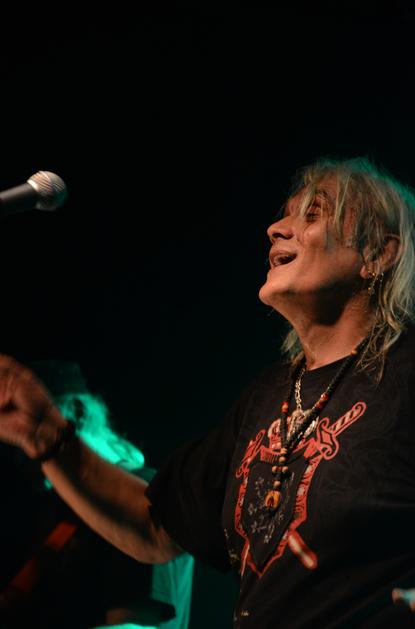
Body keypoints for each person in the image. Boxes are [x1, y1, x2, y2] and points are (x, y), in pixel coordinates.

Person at [0, 156, 415, 626]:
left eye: (312, 214)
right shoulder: (268, 395)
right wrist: (44, 432)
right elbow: (157, 528)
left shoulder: (405, 376)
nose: (276, 229)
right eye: (285, 215)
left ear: (379, 254)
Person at [0, 360, 193, 629]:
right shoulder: (61, 517)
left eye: (26, 421)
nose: (21, 450)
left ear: (77, 413)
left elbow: (137, 627)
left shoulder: (142, 493)